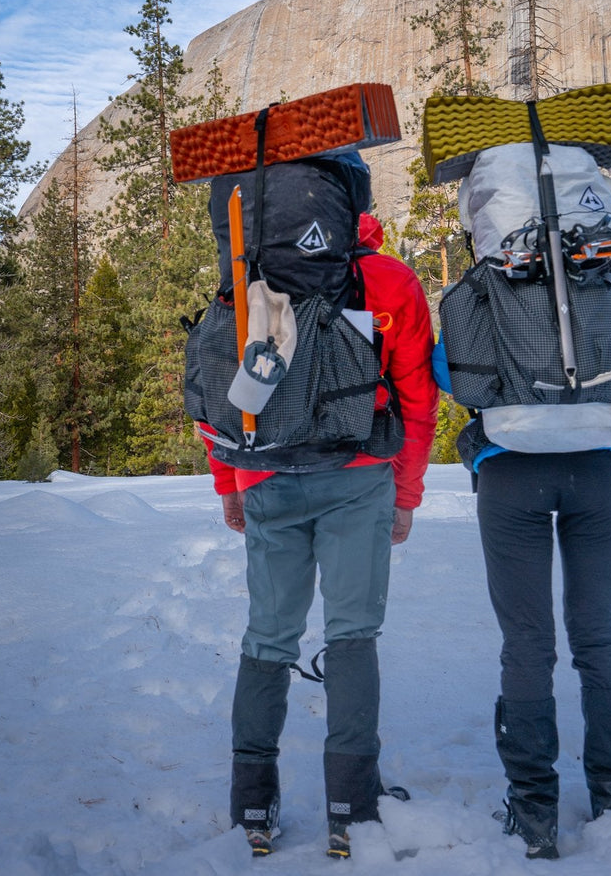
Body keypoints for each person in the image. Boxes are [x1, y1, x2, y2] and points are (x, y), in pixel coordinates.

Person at [211, 203, 438, 859]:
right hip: (359, 474)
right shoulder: (388, 280)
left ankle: (251, 805)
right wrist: (406, 493)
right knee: (352, 633)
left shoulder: (247, 272)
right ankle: (351, 809)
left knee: (268, 636)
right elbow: (417, 396)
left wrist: (229, 481)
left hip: (267, 476)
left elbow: (220, 381)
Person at [434, 345, 611, 860]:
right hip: (596, 467)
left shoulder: (489, 292)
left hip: (511, 470)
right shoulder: (600, 281)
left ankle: (534, 816)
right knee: (600, 636)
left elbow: (449, 372)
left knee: (527, 643)